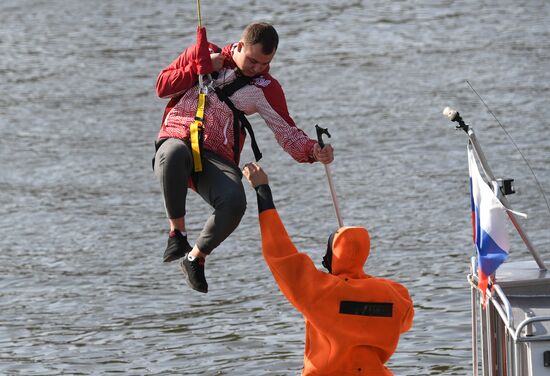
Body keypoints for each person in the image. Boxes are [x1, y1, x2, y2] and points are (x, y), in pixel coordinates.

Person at [153, 22, 333, 293]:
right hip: (176, 142)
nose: (257, 68)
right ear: (239, 45)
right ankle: (177, 233)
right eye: (252, 60)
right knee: (175, 152)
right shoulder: (204, 53)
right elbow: (162, 86)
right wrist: (199, 68)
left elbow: (287, 132)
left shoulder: (265, 87)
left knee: (235, 201)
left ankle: (195, 258)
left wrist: (312, 151)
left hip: (215, 157)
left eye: (264, 63)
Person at [243, 162, 414, 375]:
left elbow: (280, 253)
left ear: (330, 256)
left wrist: (262, 190)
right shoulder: (395, 295)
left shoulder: (320, 292)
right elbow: (405, 321)